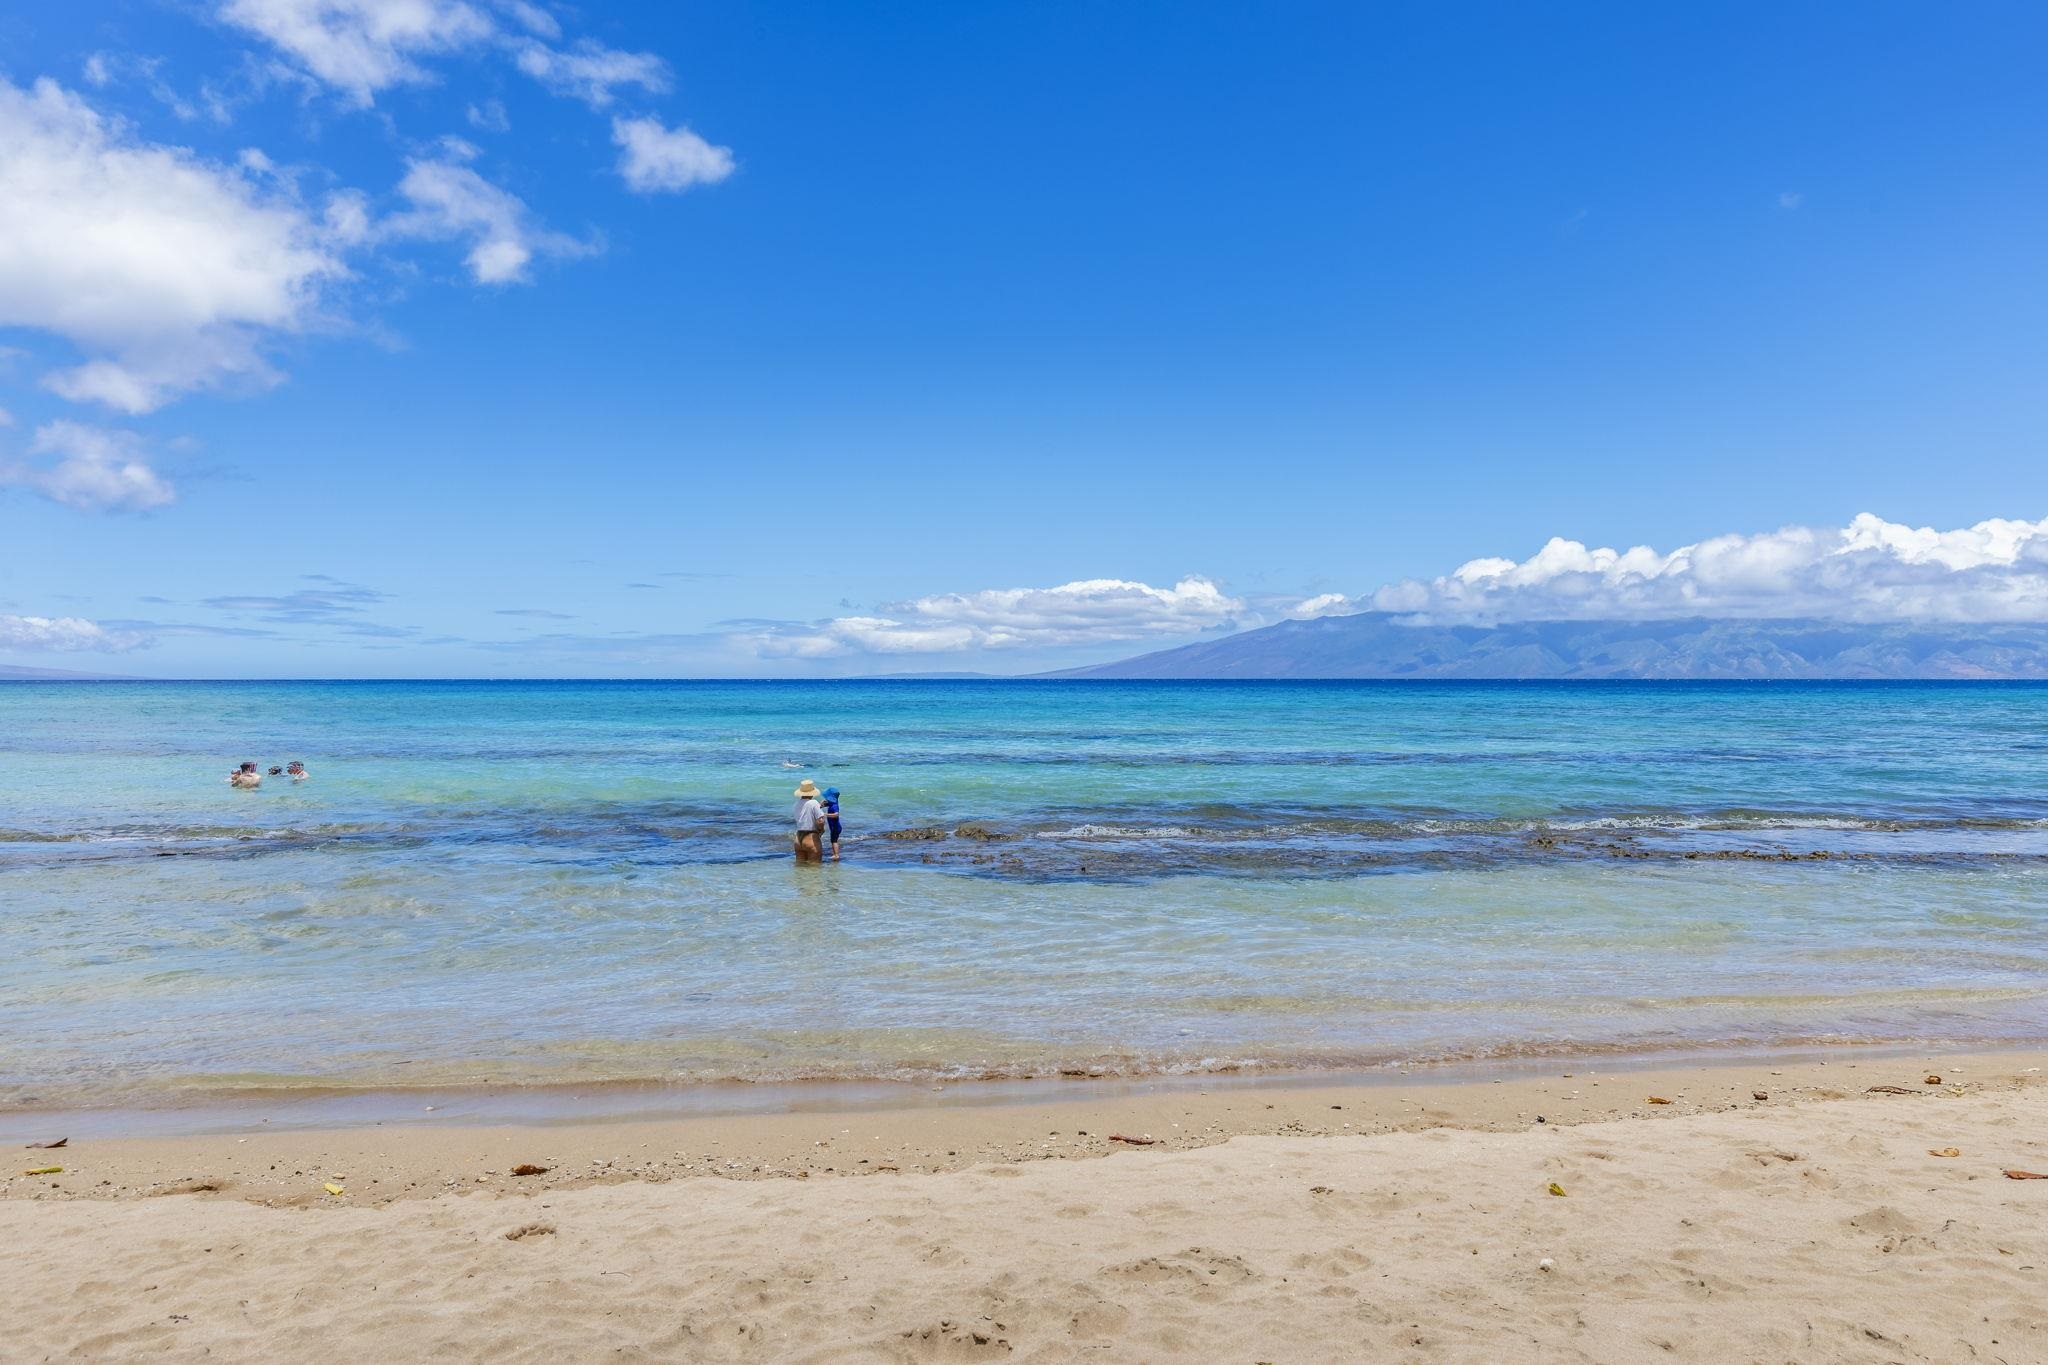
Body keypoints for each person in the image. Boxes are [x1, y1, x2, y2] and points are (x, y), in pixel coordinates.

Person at [792, 779, 826, 862]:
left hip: (798, 838)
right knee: (815, 868)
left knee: (800, 867)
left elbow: (805, 812)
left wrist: (819, 806)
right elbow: (820, 821)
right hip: (811, 837)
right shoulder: (814, 802)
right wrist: (821, 831)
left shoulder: (796, 804)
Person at [821, 787, 843, 861]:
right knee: (832, 840)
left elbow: (836, 814)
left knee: (834, 841)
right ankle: (834, 853)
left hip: (836, 827)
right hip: (833, 827)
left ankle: (836, 855)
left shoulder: (835, 806)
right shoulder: (832, 803)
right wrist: (821, 805)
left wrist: (826, 814)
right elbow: (824, 805)